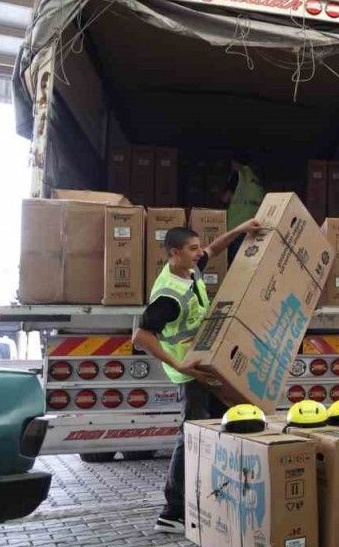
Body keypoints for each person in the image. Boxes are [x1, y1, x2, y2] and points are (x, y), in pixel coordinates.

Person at [132, 220, 262, 533]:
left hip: (204, 365)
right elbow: (141, 337)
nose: (198, 253)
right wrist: (179, 366)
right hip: (189, 373)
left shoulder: (189, 270)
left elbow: (214, 248)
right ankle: (172, 512)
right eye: (192, 249)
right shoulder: (168, 296)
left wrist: (243, 229)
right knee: (191, 435)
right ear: (174, 253)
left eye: (197, 247)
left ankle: (210, 496)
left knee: (220, 426)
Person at [222, 158, 265, 263]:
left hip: (236, 227)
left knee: (233, 261)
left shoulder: (237, 176)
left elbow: (225, 198)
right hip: (253, 226)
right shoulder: (258, 179)